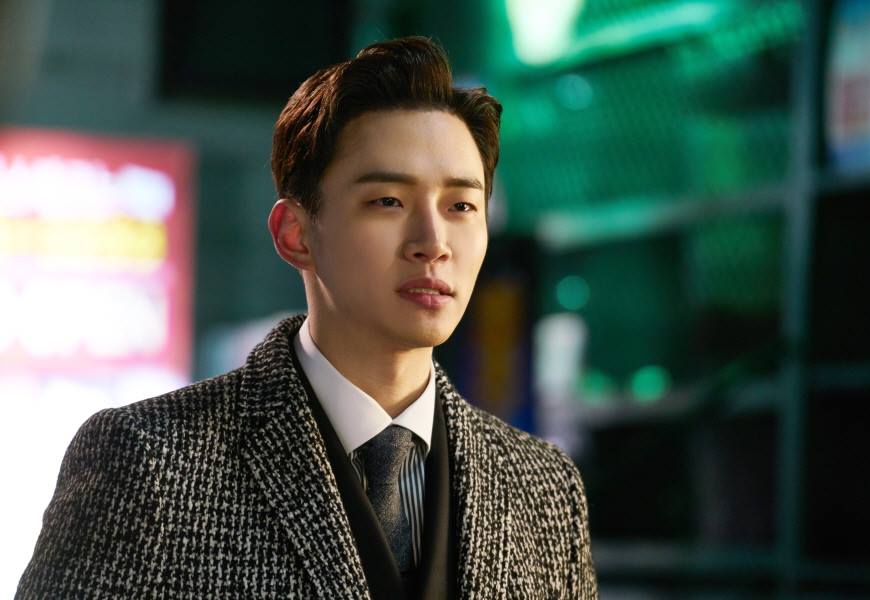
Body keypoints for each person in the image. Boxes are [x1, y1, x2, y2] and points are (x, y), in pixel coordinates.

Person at [17, 36, 597, 599]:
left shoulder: (543, 489)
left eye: (461, 206)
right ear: (295, 233)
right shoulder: (149, 461)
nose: (433, 241)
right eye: (388, 201)